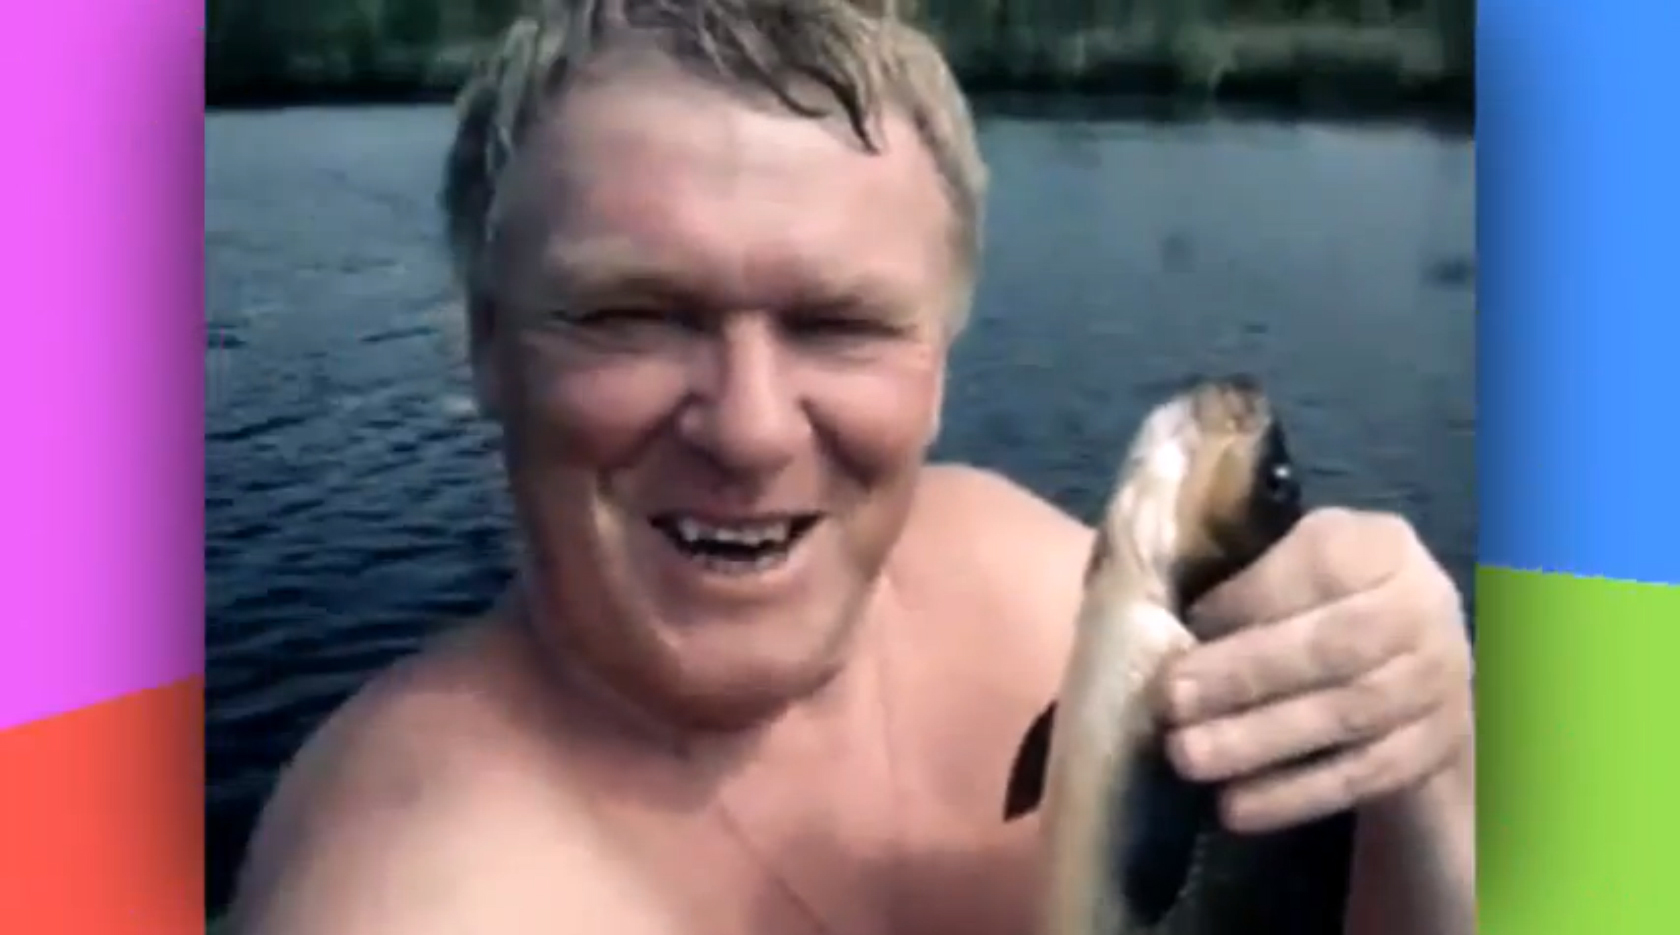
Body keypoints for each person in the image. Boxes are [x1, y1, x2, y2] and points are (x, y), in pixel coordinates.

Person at [227, 2, 1475, 933]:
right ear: (489, 349)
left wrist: (1423, 769)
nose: (751, 428)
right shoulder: (420, 890)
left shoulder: (1028, 583)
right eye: (631, 315)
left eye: (836, 324)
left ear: (938, 362)